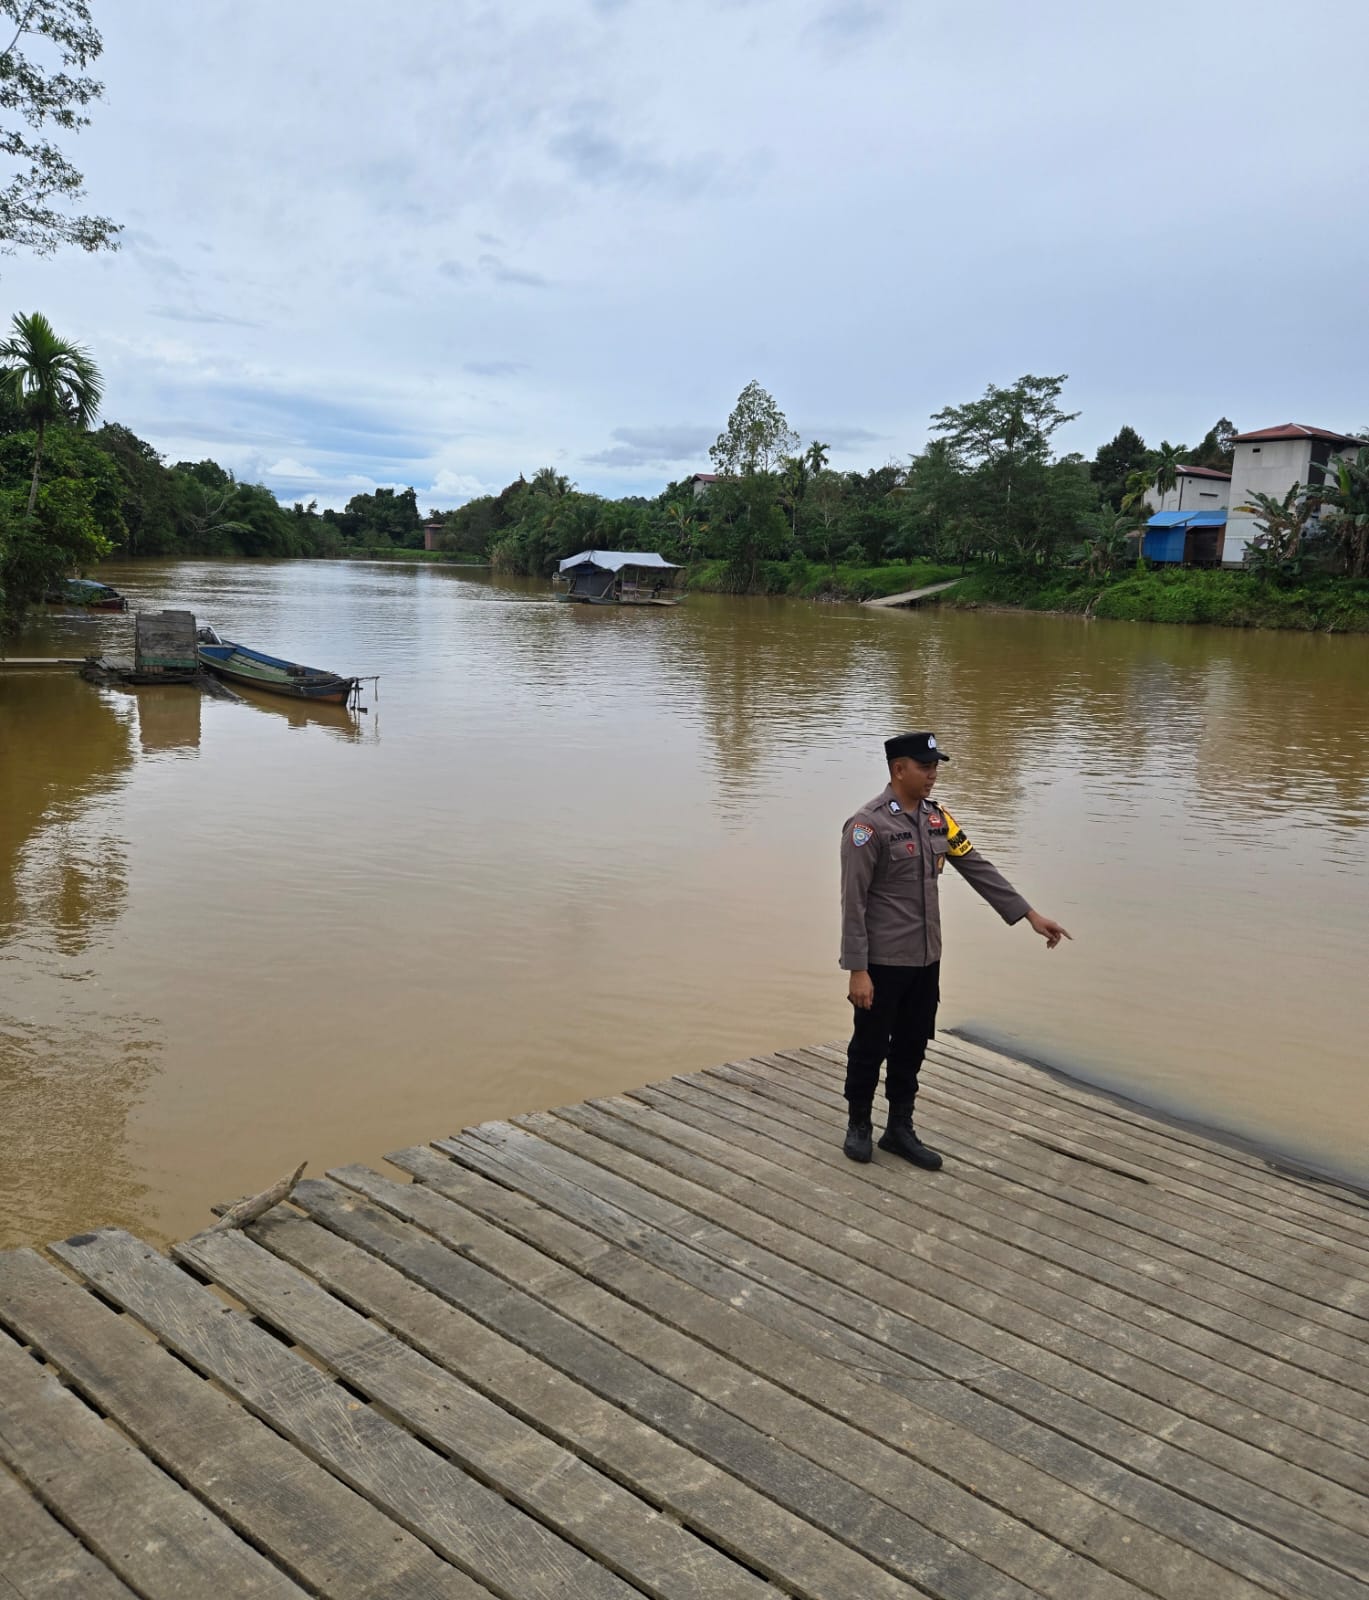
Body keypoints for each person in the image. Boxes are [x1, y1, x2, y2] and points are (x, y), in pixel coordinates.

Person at [839, 731, 1070, 1169]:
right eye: (924, 767)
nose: (933, 775)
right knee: (869, 1045)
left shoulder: (937, 819)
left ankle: (899, 1129)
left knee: (912, 1044)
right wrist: (857, 969)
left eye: (935, 767)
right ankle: (859, 1125)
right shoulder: (868, 827)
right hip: (882, 963)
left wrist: (1029, 915)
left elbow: (977, 867)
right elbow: (854, 903)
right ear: (899, 769)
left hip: (926, 958)